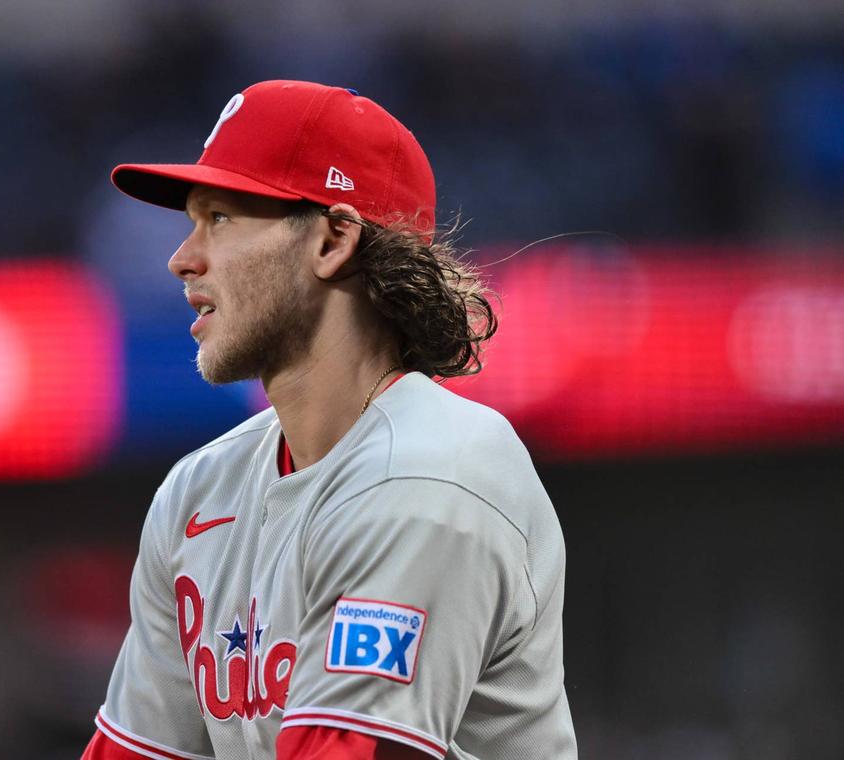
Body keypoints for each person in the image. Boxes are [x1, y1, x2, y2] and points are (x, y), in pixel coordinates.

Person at [82, 80, 576, 760]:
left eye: (220, 218)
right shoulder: (199, 492)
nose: (182, 258)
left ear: (333, 240)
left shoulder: (430, 475)